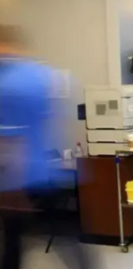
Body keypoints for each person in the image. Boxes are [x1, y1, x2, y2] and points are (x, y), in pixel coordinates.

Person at [0, 25, 93, 269]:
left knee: (12, 243)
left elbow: (9, 141)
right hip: (46, 172)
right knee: (64, 236)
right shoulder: (43, 75)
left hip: (18, 179)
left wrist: (11, 190)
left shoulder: (6, 83)